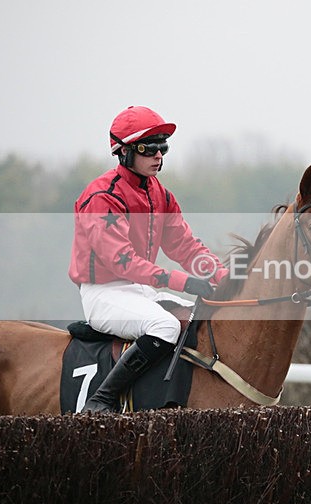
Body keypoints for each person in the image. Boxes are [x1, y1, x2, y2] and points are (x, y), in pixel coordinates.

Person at [68, 105, 228, 412]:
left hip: (141, 290)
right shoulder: (102, 196)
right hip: (103, 293)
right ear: (124, 151)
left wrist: (223, 276)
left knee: (199, 320)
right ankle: (101, 400)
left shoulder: (161, 194)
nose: (158, 156)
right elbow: (122, 262)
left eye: (162, 147)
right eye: (148, 148)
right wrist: (184, 281)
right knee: (165, 327)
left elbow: (186, 246)